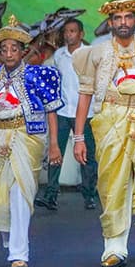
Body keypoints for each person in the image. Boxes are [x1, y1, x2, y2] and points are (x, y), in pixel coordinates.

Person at [72, 0, 135, 267]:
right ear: (110, 22)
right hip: (110, 119)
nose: (124, 22)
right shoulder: (97, 51)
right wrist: (79, 137)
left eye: (128, 17)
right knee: (113, 184)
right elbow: (85, 93)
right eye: (118, 18)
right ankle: (114, 248)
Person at [0, 15, 63, 267]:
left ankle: (20, 252)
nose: (9, 53)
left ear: (23, 51)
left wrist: (54, 144)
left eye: (14, 49)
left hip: (25, 138)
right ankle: (11, 239)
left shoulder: (38, 76)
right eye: (4, 49)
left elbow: (51, 110)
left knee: (20, 192)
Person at [35, 19, 99, 211]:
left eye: (73, 31)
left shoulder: (89, 55)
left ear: (81, 34)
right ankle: (51, 195)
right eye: (66, 32)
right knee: (56, 152)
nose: (69, 35)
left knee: (87, 154)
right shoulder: (59, 56)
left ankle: (89, 194)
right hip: (63, 110)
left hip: (85, 112)